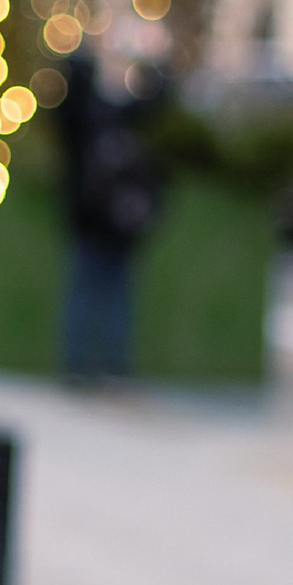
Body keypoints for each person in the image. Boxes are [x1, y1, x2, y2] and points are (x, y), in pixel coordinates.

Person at [55, 28, 168, 380]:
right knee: (100, 294)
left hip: (107, 223)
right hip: (103, 222)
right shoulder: (97, 116)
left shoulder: (102, 116)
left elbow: (156, 102)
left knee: (99, 294)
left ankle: (99, 365)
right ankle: (96, 365)